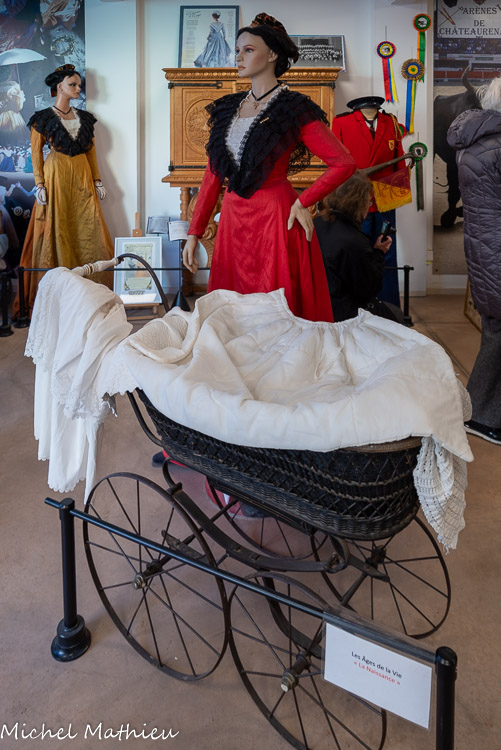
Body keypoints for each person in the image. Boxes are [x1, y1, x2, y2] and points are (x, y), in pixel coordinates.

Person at [183, 12, 356, 323]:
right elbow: (213, 173)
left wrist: (304, 200)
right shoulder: (227, 108)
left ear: (273, 54)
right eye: (238, 50)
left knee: (277, 308)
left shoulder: (293, 108)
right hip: (233, 219)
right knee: (234, 311)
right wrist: (194, 231)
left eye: (249, 50)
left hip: (276, 217)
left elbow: (343, 162)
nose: (239, 57)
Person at [13, 63, 113, 318]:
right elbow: (36, 154)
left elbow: (91, 153)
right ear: (59, 86)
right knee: (57, 226)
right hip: (55, 176)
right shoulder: (43, 119)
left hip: (82, 176)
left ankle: (91, 292)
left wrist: (98, 180)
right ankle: (58, 294)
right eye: (73, 84)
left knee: (87, 226)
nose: (78, 89)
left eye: (79, 85)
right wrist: (39, 184)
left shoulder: (85, 119)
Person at [447, 76, 501, 445]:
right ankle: (481, 416)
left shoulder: (474, 141)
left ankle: (479, 412)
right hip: (495, 249)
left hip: (485, 249)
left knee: (495, 332)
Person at [331, 96, 406, 308]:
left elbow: (398, 157)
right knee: (358, 249)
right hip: (354, 197)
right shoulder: (342, 123)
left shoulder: (390, 122)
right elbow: (335, 160)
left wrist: (398, 193)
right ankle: (357, 303)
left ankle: (389, 304)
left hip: (384, 197)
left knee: (386, 248)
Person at [314, 172, 403, 323]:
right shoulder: (355, 241)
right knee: (397, 315)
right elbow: (369, 289)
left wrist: (375, 251)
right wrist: (379, 254)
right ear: (358, 203)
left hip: (317, 307)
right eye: (368, 201)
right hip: (343, 315)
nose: (369, 206)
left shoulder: (316, 224)